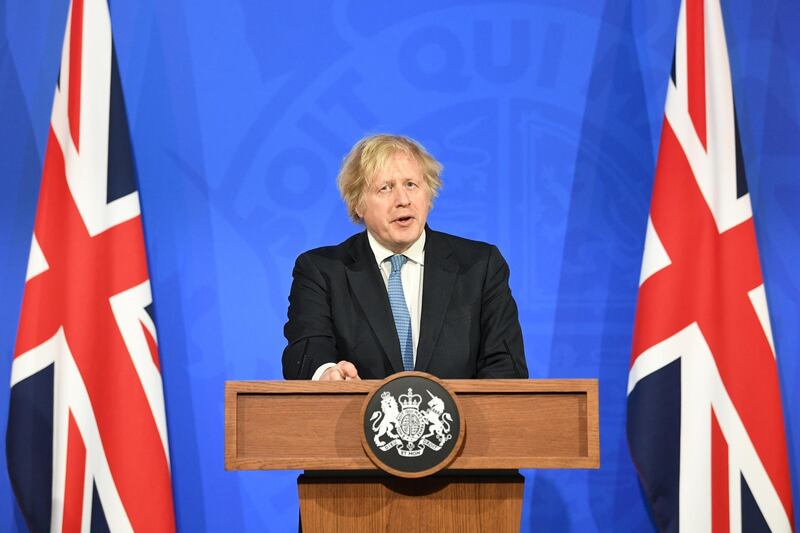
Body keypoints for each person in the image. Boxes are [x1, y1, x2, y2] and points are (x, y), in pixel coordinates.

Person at [282, 134, 527, 381]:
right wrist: (328, 375)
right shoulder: (322, 271)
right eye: (385, 188)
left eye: (411, 184)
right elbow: (306, 351)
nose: (403, 200)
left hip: (463, 419)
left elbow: (506, 366)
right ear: (358, 204)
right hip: (356, 417)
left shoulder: (480, 266)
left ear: (429, 195)